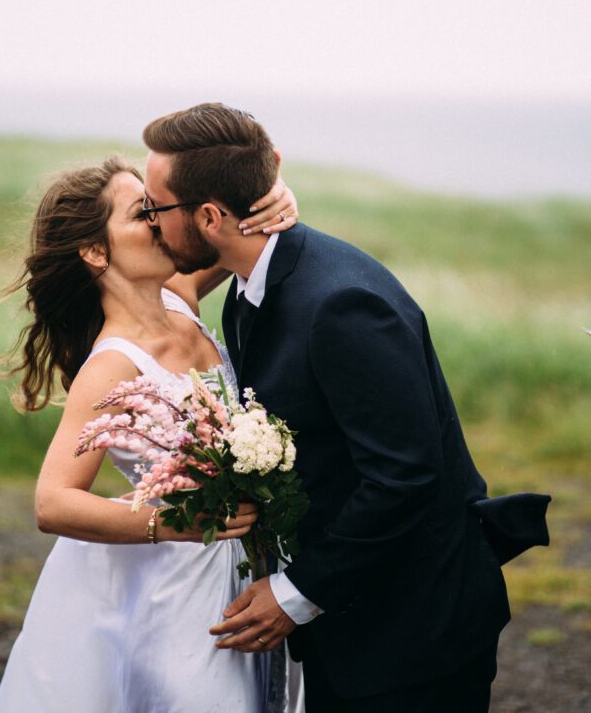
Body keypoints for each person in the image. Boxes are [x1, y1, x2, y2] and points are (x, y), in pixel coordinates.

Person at [142, 102, 551, 713]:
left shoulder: (341, 304)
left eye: (156, 207)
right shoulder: (249, 283)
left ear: (208, 216)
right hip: (356, 621)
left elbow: (405, 475)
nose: (150, 221)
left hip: (412, 633)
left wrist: (296, 593)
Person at [0, 154, 300, 713]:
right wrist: (178, 523)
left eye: (158, 207)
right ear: (94, 251)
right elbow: (52, 503)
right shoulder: (112, 367)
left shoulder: (179, 299)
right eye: (142, 214)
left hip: (253, 568)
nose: (162, 222)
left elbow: (239, 229)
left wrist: (279, 195)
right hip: (184, 593)